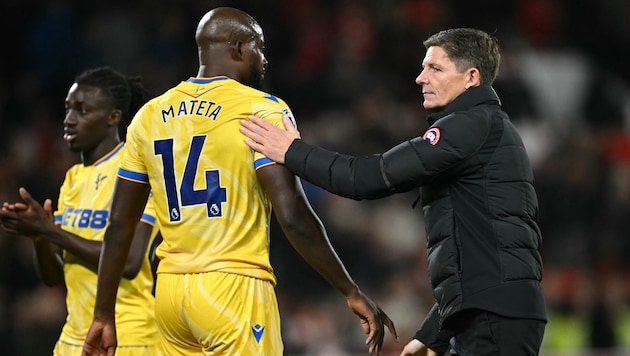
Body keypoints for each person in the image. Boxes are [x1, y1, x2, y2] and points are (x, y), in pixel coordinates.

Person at [82, 7, 396, 356]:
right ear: (237, 47)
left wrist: (103, 314)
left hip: (170, 296)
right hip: (233, 287)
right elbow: (292, 215)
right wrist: (350, 290)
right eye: (259, 48)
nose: (264, 60)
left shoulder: (149, 115)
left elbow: (119, 224)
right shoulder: (259, 109)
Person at [240, 28, 547, 355]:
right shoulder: (485, 127)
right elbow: (476, 252)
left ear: (471, 77)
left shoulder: (470, 125)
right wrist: (434, 334)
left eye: (435, 69)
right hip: (493, 313)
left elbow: (370, 177)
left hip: (494, 318)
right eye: (424, 67)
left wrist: (292, 151)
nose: (420, 78)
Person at [0, 67, 163, 355]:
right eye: (68, 109)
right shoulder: (72, 178)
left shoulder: (134, 170)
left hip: (127, 338)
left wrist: (51, 231)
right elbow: (54, 275)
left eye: (83, 110)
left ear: (113, 117)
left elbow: (128, 263)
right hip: (73, 338)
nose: (69, 120)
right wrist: (40, 238)